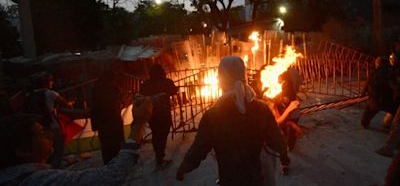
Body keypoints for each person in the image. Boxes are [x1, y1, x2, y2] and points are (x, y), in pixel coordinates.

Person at [176, 56, 290, 186]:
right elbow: (277, 140)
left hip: (230, 181)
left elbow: (199, 147)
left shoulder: (213, 115)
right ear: (244, 76)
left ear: (221, 80)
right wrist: (284, 155)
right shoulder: (261, 108)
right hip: (255, 179)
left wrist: (184, 167)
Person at [0, 95, 152, 185]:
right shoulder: (39, 181)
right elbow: (111, 175)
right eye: (41, 134)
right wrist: (138, 123)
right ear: (21, 150)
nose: (49, 135)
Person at [24, 72, 74, 168]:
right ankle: (56, 171)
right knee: (57, 150)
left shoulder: (29, 96)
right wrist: (70, 104)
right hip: (52, 126)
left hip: (38, 130)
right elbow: (66, 103)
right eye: (50, 80)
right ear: (46, 83)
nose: (52, 82)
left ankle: (47, 169)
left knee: (45, 154)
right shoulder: (50, 93)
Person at [139, 63, 178, 168]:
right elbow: (174, 91)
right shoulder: (166, 82)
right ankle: (160, 157)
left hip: (152, 113)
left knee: (156, 134)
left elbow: (142, 94)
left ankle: (158, 155)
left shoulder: (146, 84)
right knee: (163, 134)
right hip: (164, 112)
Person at [91, 69, 124, 164]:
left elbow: (94, 107)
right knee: (116, 145)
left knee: (106, 147)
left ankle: (108, 164)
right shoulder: (114, 89)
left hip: (102, 124)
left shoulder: (97, 89)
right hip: (113, 122)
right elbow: (117, 103)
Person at [361, 57, 396, 129]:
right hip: (386, 99)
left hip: (376, 98)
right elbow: (393, 84)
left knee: (369, 110)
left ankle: (364, 123)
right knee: (393, 111)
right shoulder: (389, 71)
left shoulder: (374, 72)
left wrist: (363, 92)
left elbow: (367, 82)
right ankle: (387, 124)